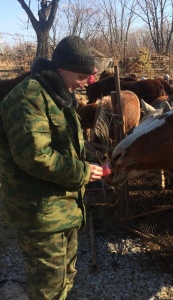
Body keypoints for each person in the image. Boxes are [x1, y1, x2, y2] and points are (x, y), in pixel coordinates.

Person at [0, 36, 105, 300]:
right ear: (63, 68)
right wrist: (83, 172)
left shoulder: (59, 96)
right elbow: (35, 156)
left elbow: (65, 146)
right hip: (40, 214)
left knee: (65, 280)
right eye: (83, 75)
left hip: (63, 209)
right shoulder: (29, 98)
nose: (87, 82)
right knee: (47, 290)